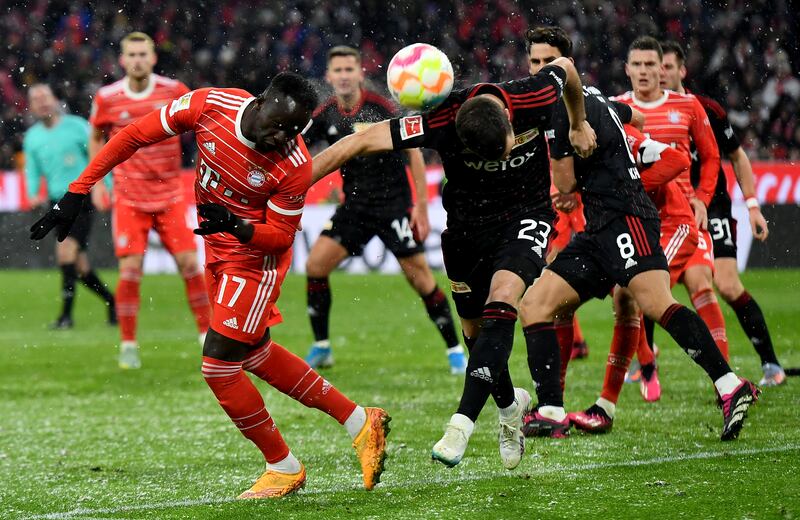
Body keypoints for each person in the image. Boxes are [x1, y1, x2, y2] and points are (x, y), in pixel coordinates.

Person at [30, 72, 390, 499]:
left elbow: (279, 237)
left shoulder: (293, 165)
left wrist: (238, 226)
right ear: (260, 102)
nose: (283, 137)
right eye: (278, 124)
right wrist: (77, 192)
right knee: (255, 353)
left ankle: (283, 466)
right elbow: (132, 136)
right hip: (218, 248)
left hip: (255, 261)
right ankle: (360, 421)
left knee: (218, 365)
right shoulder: (210, 105)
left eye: (294, 131)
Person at [309, 54, 597, 469]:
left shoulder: (532, 92)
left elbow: (568, 66)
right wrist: (293, 186)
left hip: (527, 216)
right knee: (476, 334)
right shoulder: (436, 121)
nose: (505, 156)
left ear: (510, 123)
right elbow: (357, 141)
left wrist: (577, 121)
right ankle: (509, 408)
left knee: (504, 298)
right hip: (467, 231)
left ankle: (461, 422)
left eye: (507, 149)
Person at [517, 77, 759, 442]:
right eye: (533, 62)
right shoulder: (599, 102)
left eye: (542, 63)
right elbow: (636, 120)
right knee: (536, 303)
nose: (536, 70)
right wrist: (617, 161)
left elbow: (565, 186)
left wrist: (614, 179)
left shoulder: (560, 110)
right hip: (598, 229)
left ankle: (728, 384)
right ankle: (551, 410)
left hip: (628, 219)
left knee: (655, 302)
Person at [302, 46, 466, 374]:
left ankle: (455, 349)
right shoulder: (326, 115)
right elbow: (301, 151)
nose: (345, 76)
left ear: (360, 73)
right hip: (355, 209)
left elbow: (415, 153)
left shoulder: (383, 107)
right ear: (329, 76)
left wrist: (420, 206)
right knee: (315, 265)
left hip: (393, 208)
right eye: (338, 70)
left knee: (421, 280)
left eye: (350, 69)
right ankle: (322, 347)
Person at [660, 40, 786, 386]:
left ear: (682, 70)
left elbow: (737, 157)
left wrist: (753, 205)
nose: (662, 73)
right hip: (666, 211)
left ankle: (770, 365)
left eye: (669, 67)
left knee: (727, 285)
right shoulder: (644, 113)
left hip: (710, 206)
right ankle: (644, 364)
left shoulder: (705, 109)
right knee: (646, 286)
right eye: (659, 67)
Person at [88, 32, 209, 369]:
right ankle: (128, 343)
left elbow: (202, 125)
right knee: (130, 270)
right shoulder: (107, 98)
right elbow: (96, 137)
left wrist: (205, 163)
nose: (138, 59)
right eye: (132, 54)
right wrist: (98, 182)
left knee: (189, 264)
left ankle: (205, 336)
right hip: (128, 197)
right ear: (123, 60)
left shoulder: (173, 91)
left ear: (153, 58)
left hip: (170, 195)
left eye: (143, 53)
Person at [568, 123, 699, 431]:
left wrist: (633, 188)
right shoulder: (580, 138)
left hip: (673, 225)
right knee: (626, 296)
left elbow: (679, 160)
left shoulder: (617, 131)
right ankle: (612, 399)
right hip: (637, 225)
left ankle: (723, 380)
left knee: (651, 296)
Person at [23, 84, 116, 328]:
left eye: (45, 96)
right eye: (36, 99)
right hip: (57, 202)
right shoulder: (32, 137)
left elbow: (99, 156)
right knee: (80, 265)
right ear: (31, 107)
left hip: (81, 198)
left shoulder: (77, 126)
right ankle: (112, 302)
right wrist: (33, 193)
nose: (42, 102)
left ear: (55, 99)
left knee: (65, 253)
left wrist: (106, 186)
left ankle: (66, 317)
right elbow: (32, 170)